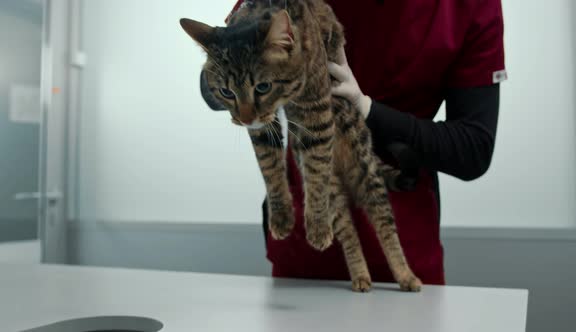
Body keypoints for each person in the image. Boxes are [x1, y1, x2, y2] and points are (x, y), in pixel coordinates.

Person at [201, 0, 506, 286]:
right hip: (303, 253)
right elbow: (213, 85)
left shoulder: (469, 7)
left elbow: (473, 150)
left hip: (403, 254)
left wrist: (366, 109)